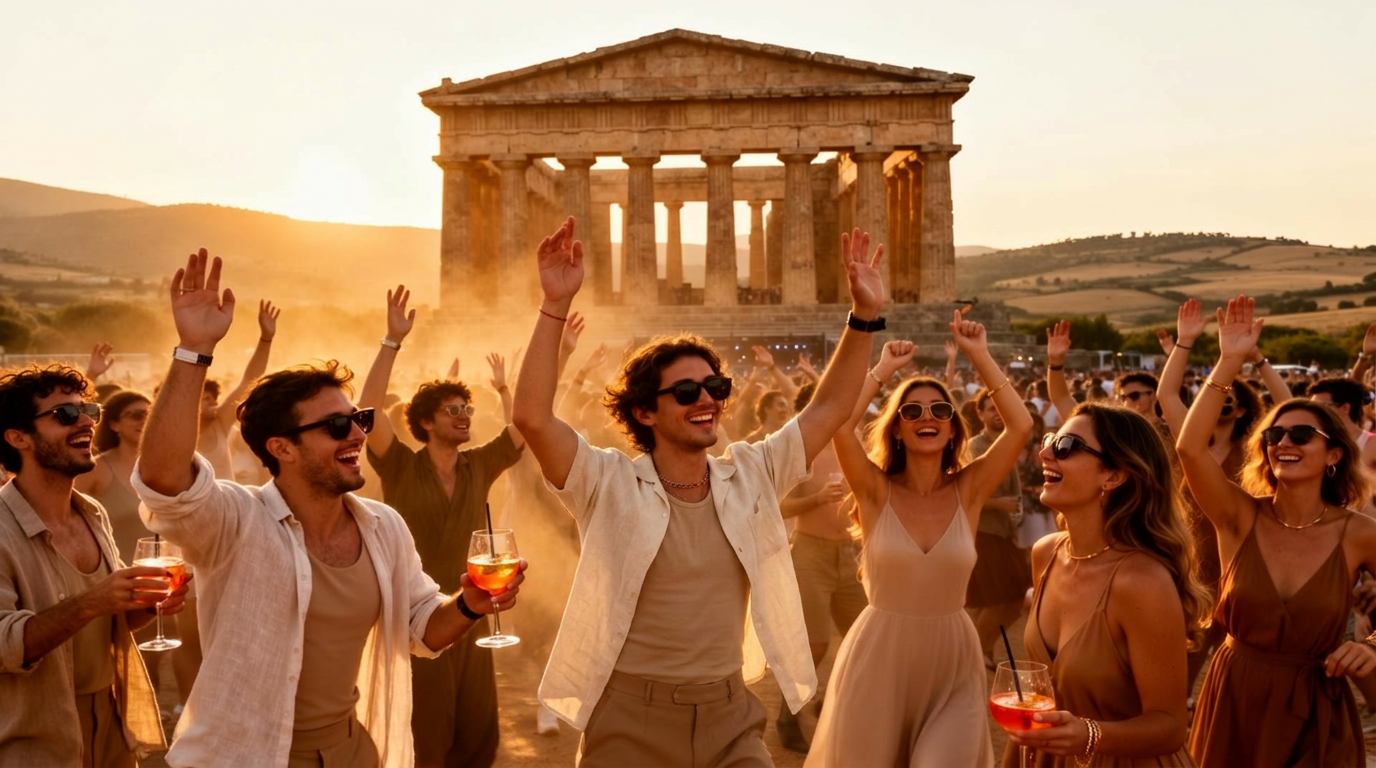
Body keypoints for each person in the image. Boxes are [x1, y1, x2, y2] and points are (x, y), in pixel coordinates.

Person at [132, 249, 527, 768]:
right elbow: (163, 482)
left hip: (351, 751)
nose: (359, 434)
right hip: (247, 754)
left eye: (359, 419)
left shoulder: (384, 527)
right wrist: (192, 352)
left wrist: (471, 602)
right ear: (282, 448)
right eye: (338, 426)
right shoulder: (235, 522)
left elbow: (424, 627)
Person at [512, 218, 884, 767]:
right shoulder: (608, 482)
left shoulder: (752, 473)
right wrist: (554, 307)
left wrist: (864, 318)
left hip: (729, 712)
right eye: (686, 390)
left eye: (715, 386)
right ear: (644, 411)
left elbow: (829, 408)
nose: (705, 398)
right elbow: (532, 417)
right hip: (630, 716)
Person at [807, 326, 1033, 767]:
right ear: (896, 430)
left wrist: (980, 355)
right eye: (911, 410)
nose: (926, 416)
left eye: (939, 410)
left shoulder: (970, 490)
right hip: (879, 658)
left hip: (952, 660)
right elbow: (841, 423)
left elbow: (1020, 425)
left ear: (952, 429)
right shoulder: (874, 491)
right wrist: (883, 369)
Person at [1179, 295, 1376, 767]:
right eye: (1274, 435)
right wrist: (1228, 363)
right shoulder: (1240, 516)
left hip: (1316, 710)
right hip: (1235, 701)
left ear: (1334, 456)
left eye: (1301, 435)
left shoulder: (1359, 533)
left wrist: (1371, 646)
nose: (1284, 442)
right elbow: (1189, 448)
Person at [356, 286, 525, 768]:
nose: (465, 416)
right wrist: (391, 341)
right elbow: (366, 414)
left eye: (468, 409)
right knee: (426, 731)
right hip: (416, 614)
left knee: (476, 730)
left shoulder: (478, 465)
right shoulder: (402, 467)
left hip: (473, 607)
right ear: (426, 422)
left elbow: (521, 432)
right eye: (454, 410)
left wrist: (503, 390)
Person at [0, 364, 187, 766]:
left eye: (87, 409)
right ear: (18, 438)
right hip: (36, 735)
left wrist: (147, 605)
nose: (85, 421)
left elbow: (112, 622)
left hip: (113, 722)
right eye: (65, 414)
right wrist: (92, 601)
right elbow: (3, 645)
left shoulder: (91, 512)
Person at [1003, 403, 1207, 766]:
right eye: (1050, 439)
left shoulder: (1142, 582)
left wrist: (1089, 734)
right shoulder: (1045, 553)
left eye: (1065, 446)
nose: (1044, 451)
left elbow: (1172, 726)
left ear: (1113, 476)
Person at [773, 382, 867, 753]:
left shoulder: (854, 439)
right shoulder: (801, 449)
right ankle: (787, 716)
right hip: (810, 553)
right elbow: (778, 507)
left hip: (851, 555)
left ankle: (828, 702)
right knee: (813, 645)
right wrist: (817, 499)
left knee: (865, 639)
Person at [965, 386, 1031, 668]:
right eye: (992, 409)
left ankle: (981, 650)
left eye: (999, 408)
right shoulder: (976, 447)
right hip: (983, 531)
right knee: (1006, 597)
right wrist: (998, 504)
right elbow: (967, 492)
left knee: (1004, 599)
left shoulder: (1007, 441)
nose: (998, 414)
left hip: (1004, 531)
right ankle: (975, 653)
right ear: (980, 414)